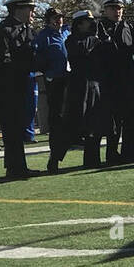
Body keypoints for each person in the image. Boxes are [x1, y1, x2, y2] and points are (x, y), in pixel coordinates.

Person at [49, 9, 116, 172]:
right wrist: (96, 37)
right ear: (79, 24)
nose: (91, 24)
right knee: (72, 125)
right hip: (80, 87)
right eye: (88, 21)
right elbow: (82, 50)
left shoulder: (95, 39)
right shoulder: (72, 40)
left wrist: (106, 40)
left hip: (96, 84)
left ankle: (92, 160)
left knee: (96, 124)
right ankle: (55, 158)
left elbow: (109, 55)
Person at [0, 0, 39, 179]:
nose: (33, 12)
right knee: (12, 128)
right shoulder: (2, 31)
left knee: (18, 127)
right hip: (7, 88)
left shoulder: (27, 29)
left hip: (22, 84)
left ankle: (18, 166)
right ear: (18, 9)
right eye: (30, 8)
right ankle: (15, 167)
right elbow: (3, 61)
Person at [96, 0, 134, 164]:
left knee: (131, 117)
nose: (117, 11)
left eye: (120, 8)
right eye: (113, 8)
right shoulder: (100, 27)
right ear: (106, 10)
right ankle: (112, 154)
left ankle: (129, 152)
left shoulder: (128, 26)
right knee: (114, 120)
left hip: (128, 77)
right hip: (111, 78)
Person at [33, 7, 69, 139]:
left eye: (60, 17)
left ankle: (70, 133)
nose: (59, 20)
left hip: (69, 75)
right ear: (48, 20)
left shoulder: (66, 31)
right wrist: (46, 70)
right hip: (54, 77)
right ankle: (56, 135)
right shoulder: (43, 36)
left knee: (70, 106)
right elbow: (37, 55)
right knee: (56, 108)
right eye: (55, 18)